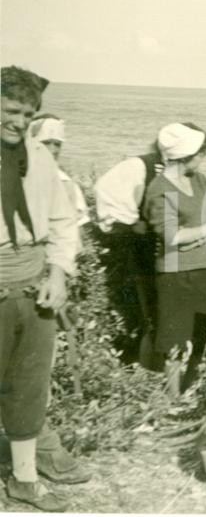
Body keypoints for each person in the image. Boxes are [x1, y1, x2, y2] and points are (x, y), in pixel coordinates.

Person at [0, 66, 90, 511]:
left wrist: (57, 274)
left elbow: (61, 221)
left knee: (29, 388)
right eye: (11, 110)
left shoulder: (40, 157)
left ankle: (24, 479)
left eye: (28, 113)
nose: (19, 121)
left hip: (34, 292)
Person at [143, 122, 206, 395]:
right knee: (174, 341)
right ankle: (171, 399)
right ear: (186, 154)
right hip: (175, 274)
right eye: (201, 154)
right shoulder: (159, 189)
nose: (203, 159)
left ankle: (189, 392)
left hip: (204, 268)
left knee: (202, 334)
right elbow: (172, 237)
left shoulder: (200, 181)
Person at [94, 132, 165, 364]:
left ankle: (149, 364)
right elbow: (107, 193)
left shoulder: (185, 173)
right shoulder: (139, 166)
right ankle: (134, 361)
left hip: (161, 250)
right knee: (138, 307)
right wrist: (130, 224)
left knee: (157, 311)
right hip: (134, 247)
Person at [29, 114, 90, 255]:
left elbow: (77, 228)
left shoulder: (66, 184)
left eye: (57, 144)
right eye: (45, 142)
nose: (53, 150)